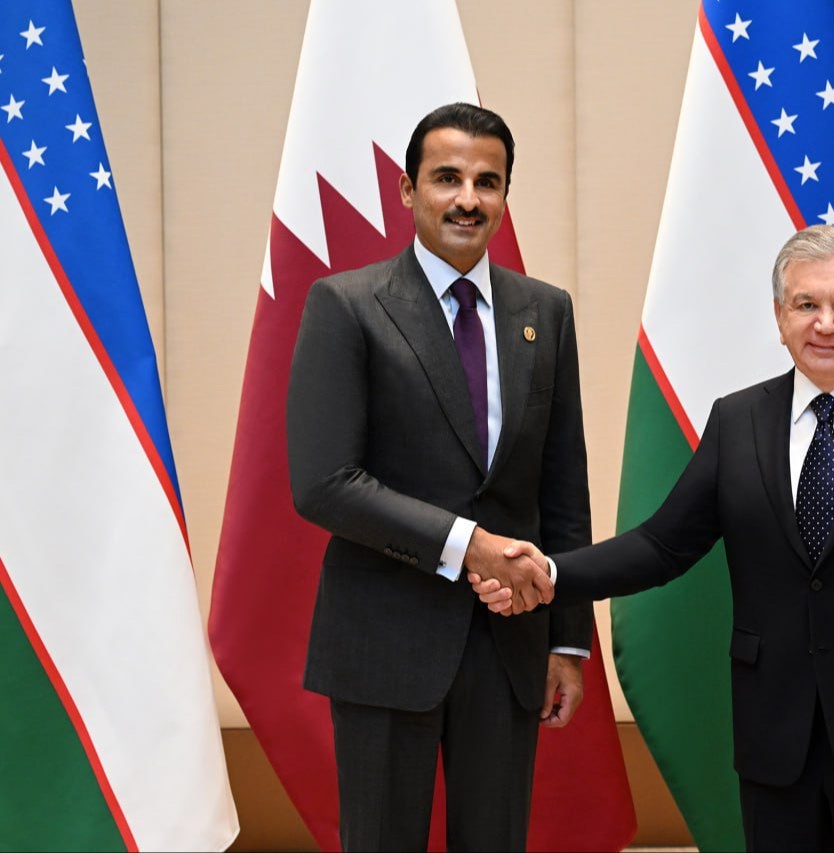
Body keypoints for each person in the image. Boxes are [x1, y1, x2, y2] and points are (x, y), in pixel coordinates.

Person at [475, 226, 834, 851]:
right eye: (806, 305)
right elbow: (661, 546)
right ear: (780, 317)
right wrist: (550, 572)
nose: (826, 323)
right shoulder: (739, 421)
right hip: (777, 741)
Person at [287, 101, 591, 852]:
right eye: (447, 178)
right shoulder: (347, 305)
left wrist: (567, 642)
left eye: (488, 182)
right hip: (384, 637)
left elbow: (562, 487)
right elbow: (324, 481)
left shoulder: (545, 312)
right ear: (407, 189)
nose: (467, 199)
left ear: (505, 194)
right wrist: (468, 545)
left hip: (510, 642)